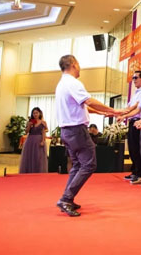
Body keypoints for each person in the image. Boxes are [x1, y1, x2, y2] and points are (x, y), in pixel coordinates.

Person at [55, 55, 121, 217]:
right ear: (73, 64)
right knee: (89, 165)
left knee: (78, 165)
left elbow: (82, 105)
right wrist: (113, 110)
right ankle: (66, 198)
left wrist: (102, 112)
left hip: (67, 131)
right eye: (78, 64)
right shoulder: (73, 83)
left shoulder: (62, 83)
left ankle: (68, 198)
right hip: (77, 130)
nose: (80, 68)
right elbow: (89, 101)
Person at [118, 70, 141, 182]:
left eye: (136, 78)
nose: (134, 80)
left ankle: (139, 172)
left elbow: (135, 108)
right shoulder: (136, 92)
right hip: (132, 120)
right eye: (133, 78)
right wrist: (121, 113)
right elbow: (129, 107)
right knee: (131, 147)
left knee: (137, 148)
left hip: (138, 121)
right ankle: (135, 171)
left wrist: (123, 114)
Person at [19, 107, 48, 174]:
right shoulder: (30, 122)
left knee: (38, 157)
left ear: (39, 113)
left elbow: (43, 132)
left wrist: (43, 141)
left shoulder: (43, 122)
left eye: (36, 113)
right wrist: (29, 125)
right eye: (34, 113)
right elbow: (26, 132)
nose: (35, 114)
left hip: (39, 140)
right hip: (30, 141)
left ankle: (38, 172)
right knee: (29, 156)